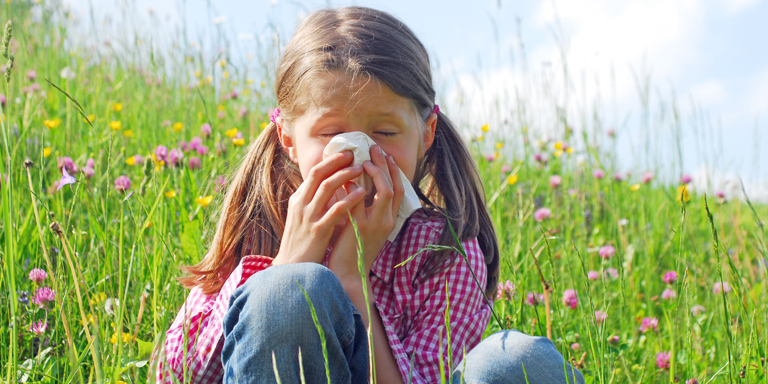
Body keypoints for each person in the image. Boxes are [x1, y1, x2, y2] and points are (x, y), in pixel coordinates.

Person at [155, 6, 584, 384]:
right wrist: (288, 262)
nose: (361, 152)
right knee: (289, 290)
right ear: (287, 137)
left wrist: (352, 275)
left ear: (426, 134)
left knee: (516, 363)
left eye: (384, 132)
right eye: (330, 133)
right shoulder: (261, 224)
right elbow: (177, 375)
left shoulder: (443, 251)